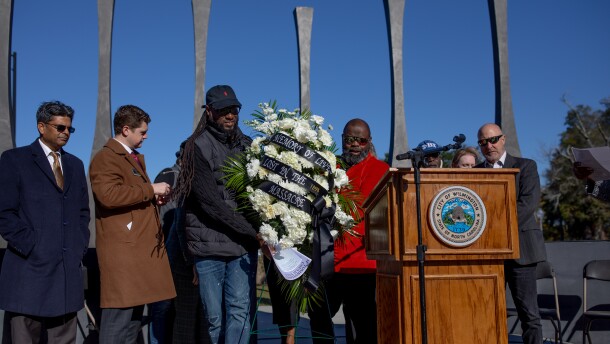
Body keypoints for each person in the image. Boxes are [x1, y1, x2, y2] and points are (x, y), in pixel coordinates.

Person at [172, 85, 259, 344]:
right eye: (223, 110)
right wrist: (253, 231)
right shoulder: (194, 147)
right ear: (209, 111)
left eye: (234, 109)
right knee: (215, 320)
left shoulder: (248, 146)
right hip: (209, 248)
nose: (230, 115)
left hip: (242, 247)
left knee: (240, 313)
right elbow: (210, 203)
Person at [0, 101, 90, 343]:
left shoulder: (75, 164)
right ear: (41, 127)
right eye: (60, 127)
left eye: (69, 129)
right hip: (28, 274)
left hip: (65, 278)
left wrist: (78, 247)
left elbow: (82, 212)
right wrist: (32, 245)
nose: (65, 133)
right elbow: (4, 213)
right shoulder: (14, 160)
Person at [89, 105, 176, 343]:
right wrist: (150, 189)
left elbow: (128, 194)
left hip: (136, 252)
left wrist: (153, 197)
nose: (146, 136)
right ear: (126, 129)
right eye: (142, 132)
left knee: (132, 323)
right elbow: (108, 195)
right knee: (118, 321)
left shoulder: (129, 157)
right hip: (123, 255)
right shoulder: (107, 157)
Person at [307, 118, 389, 344]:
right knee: (318, 315)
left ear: (369, 142)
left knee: (363, 326)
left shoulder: (382, 171)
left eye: (360, 140)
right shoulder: (328, 168)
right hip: (328, 259)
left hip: (361, 263)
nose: (354, 144)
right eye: (350, 139)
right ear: (342, 139)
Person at [475, 123, 546, 344]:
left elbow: (528, 204)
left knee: (529, 315)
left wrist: (494, 227)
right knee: (487, 314)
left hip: (521, 252)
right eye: (483, 142)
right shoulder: (474, 173)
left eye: (493, 139)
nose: (489, 146)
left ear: (503, 139)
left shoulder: (526, 167)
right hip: (487, 255)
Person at [150, 142, 207, 344]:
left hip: (182, 255)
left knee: (183, 312)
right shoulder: (169, 176)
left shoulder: (196, 179)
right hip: (167, 255)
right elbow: (161, 217)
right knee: (162, 309)